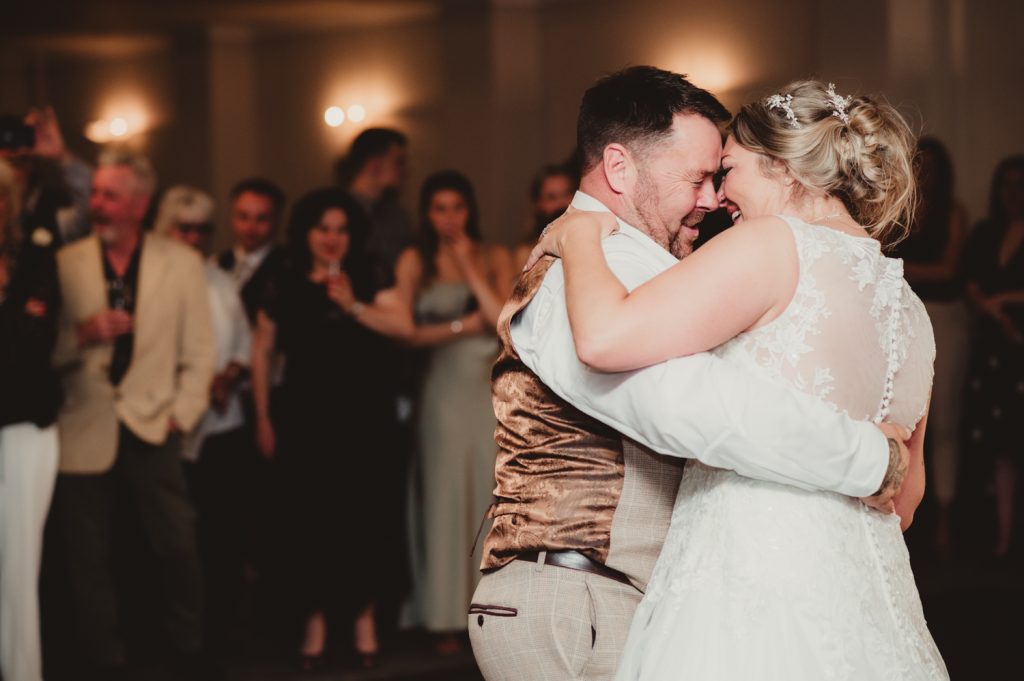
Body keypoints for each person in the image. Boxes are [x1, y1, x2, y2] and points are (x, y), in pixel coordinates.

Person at [469, 67, 911, 681]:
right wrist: (873, 458)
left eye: (720, 176)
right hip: (574, 598)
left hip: (630, 596)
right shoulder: (584, 267)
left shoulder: (654, 265)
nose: (712, 200)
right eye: (699, 178)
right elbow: (690, 404)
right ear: (619, 168)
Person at [50, 149, 217, 680]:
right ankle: (104, 660)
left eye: (110, 195)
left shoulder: (180, 261)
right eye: (95, 193)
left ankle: (187, 649)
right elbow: (37, 350)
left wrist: (182, 413)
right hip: (82, 424)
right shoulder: (63, 260)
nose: (97, 203)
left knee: (176, 546)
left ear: (140, 203)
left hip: (154, 422)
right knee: (87, 559)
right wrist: (81, 335)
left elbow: (200, 351)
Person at [250, 188, 413, 672]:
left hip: (364, 419)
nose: (332, 239)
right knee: (309, 522)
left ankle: (364, 622)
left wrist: (353, 305)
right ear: (306, 231)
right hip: (304, 419)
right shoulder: (283, 277)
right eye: (323, 228)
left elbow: (403, 324)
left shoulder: (369, 271)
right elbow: (262, 350)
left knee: (363, 517)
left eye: (341, 229)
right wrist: (260, 416)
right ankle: (314, 625)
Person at [393, 170, 513, 651]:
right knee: (443, 496)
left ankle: (488, 606)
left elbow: (503, 318)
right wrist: (464, 325)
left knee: (487, 490)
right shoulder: (413, 260)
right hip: (440, 391)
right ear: (427, 213)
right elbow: (406, 332)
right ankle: (443, 613)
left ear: (470, 210)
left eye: (457, 208)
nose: (449, 218)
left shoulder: (495, 255)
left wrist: (468, 266)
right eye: (439, 208)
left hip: (485, 391)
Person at [155, 186, 252, 650]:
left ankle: (221, 631)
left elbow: (243, 340)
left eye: (202, 229)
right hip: (173, 422)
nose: (193, 237)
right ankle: (177, 635)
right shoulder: (154, 279)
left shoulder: (217, 277)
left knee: (222, 532)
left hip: (223, 421)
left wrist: (231, 371)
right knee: (176, 536)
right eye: (184, 228)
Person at [0, 157, 62, 681]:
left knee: (21, 564)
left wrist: (18, 318)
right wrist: (18, 316)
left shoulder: (36, 258)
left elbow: (38, 340)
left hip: (26, 427)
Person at [892, 137, 969, 553]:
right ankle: (908, 514)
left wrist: (893, 269)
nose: (924, 172)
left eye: (932, 165)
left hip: (944, 314)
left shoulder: (952, 212)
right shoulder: (898, 209)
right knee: (902, 414)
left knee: (944, 421)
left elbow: (948, 268)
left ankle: (946, 517)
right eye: (917, 164)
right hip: (901, 312)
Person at [961, 155, 1024, 558]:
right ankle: (1002, 537)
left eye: (1020, 186)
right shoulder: (986, 231)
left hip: (1018, 339)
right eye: (1006, 185)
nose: (1012, 194)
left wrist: (1003, 299)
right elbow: (966, 277)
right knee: (997, 441)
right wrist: (984, 302)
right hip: (992, 345)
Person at [0, 106, 92, 246]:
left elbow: (94, 207)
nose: (9, 174)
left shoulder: (54, 209)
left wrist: (63, 157)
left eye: (16, 163)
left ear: (30, 164)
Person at [335, 127, 414, 275]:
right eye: (399, 162)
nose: (405, 171)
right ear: (375, 164)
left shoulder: (397, 215)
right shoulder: (336, 211)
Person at [215, 178, 288, 324]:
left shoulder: (288, 267)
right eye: (243, 217)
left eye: (261, 219)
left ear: (277, 220)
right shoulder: (217, 263)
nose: (250, 227)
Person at [512, 162, 579, 271]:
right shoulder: (526, 253)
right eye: (552, 197)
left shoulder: (591, 239)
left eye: (567, 193)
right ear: (539, 204)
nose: (562, 203)